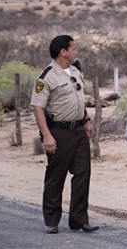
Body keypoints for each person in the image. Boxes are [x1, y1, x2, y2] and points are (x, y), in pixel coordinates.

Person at [30, 35, 98, 234]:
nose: (76, 52)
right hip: (58, 133)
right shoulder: (46, 76)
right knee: (56, 176)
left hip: (78, 131)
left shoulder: (75, 70)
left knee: (83, 174)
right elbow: (38, 107)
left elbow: (78, 98)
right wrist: (47, 135)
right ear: (63, 51)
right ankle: (51, 220)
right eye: (73, 48)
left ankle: (79, 219)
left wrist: (86, 120)